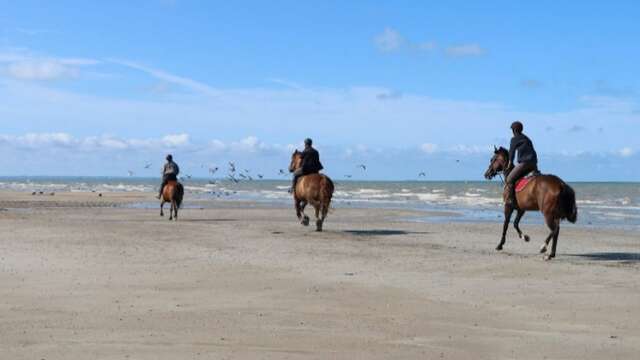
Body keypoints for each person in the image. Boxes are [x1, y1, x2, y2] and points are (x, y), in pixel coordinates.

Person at [505, 121, 538, 208]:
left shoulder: (514, 139)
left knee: (509, 179)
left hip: (525, 163)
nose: (512, 131)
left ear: (514, 130)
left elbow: (511, 153)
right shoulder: (527, 138)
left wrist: (509, 164)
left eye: (512, 130)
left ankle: (511, 200)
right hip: (534, 163)